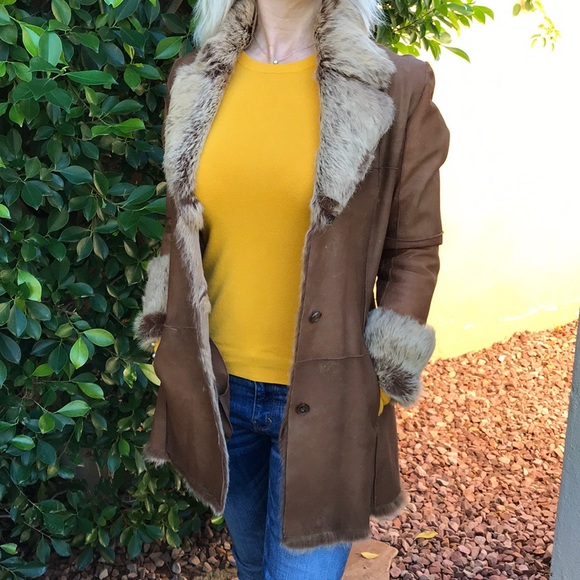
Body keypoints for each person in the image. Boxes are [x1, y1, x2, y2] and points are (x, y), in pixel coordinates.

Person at [133, 0, 450, 577]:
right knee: (253, 566)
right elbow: (179, 227)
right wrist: (166, 337)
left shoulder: (395, 86)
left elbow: (414, 250)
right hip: (219, 391)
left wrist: (381, 374)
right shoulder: (196, 78)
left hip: (330, 398)